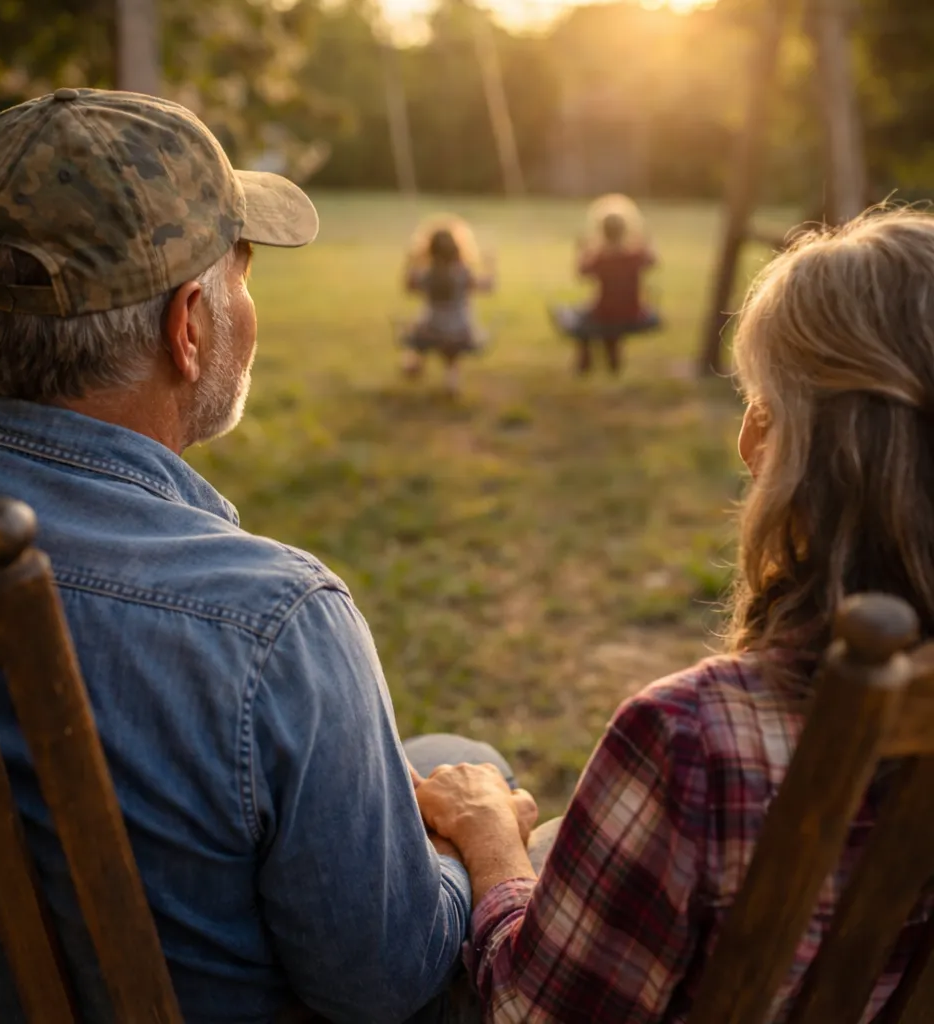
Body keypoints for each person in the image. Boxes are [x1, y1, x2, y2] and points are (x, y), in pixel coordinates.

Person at [0, 88, 533, 1024]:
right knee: (472, 773)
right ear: (189, 326)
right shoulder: (274, 622)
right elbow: (384, 986)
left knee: (440, 758)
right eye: (243, 272)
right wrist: (488, 852)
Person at [416, 208, 934, 1022]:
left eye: (763, 405)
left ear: (792, 453)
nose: (744, 440)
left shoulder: (690, 741)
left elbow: (529, 1010)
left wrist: (492, 849)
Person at [550, 193, 660, 376]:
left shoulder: (600, 258)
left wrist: (582, 251)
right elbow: (653, 261)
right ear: (625, 229)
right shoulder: (635, 255)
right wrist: (645, 241)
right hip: (633, 311)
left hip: (603, 312)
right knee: (607, 323)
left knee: (577, 319)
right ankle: (613, 362)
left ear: (601, 231)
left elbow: (581, 273)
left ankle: (584, 361)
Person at [400, 216, 495, 395]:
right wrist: (491, 266)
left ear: (429, 249)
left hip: (431, 329)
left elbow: (408, 286)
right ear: (458, 248)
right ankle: (452, 379)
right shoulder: (463, 274)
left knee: (418, 331)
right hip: (459, 331)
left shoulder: (427, 274)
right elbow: (488, 287)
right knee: (452, 347)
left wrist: (410, 262)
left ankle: (414, 361)